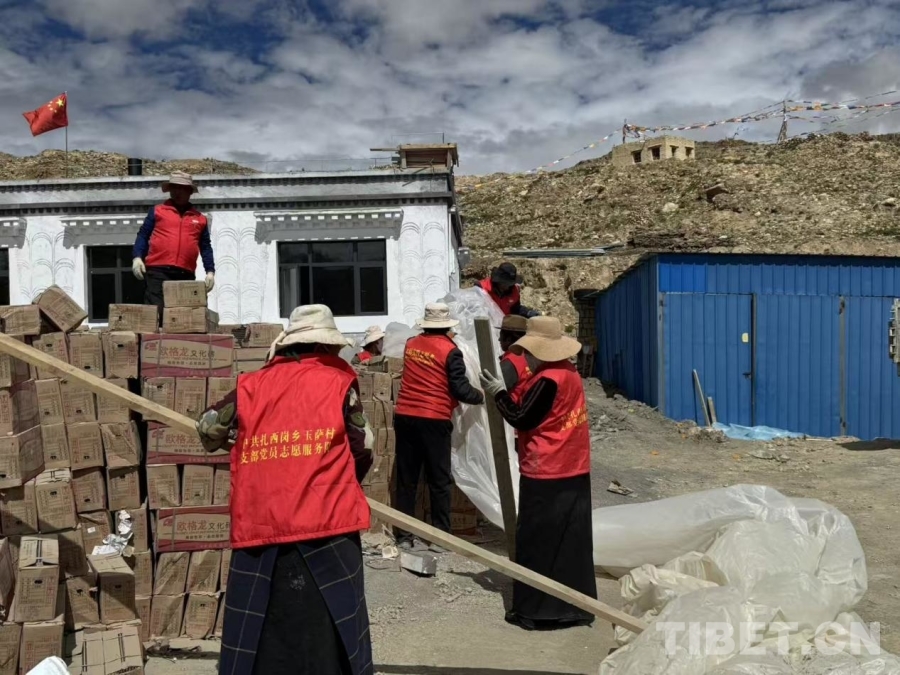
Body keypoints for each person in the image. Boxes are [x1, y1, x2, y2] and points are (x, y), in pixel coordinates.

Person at [196, 304, 375, 675]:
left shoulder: (250, 385)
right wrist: (338, 483)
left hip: (262, 522)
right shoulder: (338, 381)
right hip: (327, 523)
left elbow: (208, 427)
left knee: (261, 629)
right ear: (326, 345)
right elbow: (362, 447)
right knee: (331, 626)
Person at [479, 316, 596, 631]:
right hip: (574, 466)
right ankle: (575, 606)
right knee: (570, 541)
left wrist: (498, 393)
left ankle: (536, 610)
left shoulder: (548, 380)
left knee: (537, 541)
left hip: (547, 469)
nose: (526, 358)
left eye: (529, 352)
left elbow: (521, 417)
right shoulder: (570, 372)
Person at [393, 303, 484, 551]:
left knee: (407, 480)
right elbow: (460, 389)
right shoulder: (451, 350)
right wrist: (482, 396)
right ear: (447, 327)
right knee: (439, 480)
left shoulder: (411, 344)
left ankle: (403, 535)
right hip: (434, 418)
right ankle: (441, 537)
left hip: (405, 416)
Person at [132, 171, 215, 315]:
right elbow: (143, 235)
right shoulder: (157, 211)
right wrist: (137, 257)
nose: (177, 192)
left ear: (190, 191)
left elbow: (205, 247)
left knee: (185, 316)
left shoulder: (200, 219)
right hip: (157, 271)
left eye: (182, 188)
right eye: (174, 187)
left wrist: (210, 271)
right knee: (156, 313)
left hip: (185, 273)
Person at [498, 314, 531, 402]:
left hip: (512, 407)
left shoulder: (509, 363)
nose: (499, 340)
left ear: (508, 339)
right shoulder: (529, 354)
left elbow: (497, 391)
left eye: (501, 336)